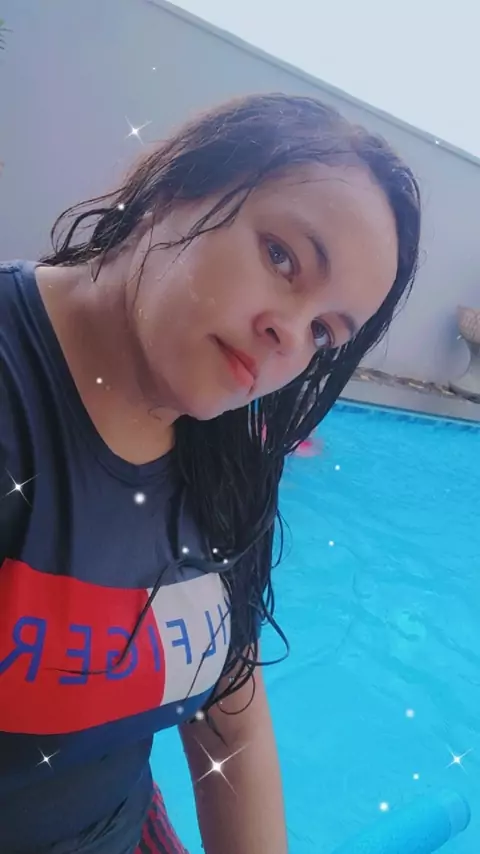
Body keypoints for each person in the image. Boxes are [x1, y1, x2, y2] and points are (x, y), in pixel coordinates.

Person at [0, 93, 420, 853]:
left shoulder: (229, 453)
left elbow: (231, 711)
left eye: (325, 333)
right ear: (176, 186)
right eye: (283, 257)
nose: (290, 334)